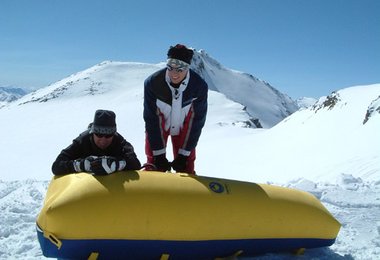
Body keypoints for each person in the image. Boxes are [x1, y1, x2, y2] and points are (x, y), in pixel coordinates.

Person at [143, 44, 208, 174]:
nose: (174, 73)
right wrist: (158, 154)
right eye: (170, 67)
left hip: (185, 128)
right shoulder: (152, 83)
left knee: (186, 167)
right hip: (160, 127)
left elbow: (196, 121)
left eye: (180, 69)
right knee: (154, 165)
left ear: (188, 67)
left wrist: (184, 154)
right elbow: (152, 119)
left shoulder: (199, 86)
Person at [52, 109, 141, 175]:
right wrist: (82, 165)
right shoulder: (82, 141)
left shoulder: (121, 143)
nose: (103, 140)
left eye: (108, 136)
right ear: (92, 132)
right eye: (98, 135)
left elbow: (136, 164)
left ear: (114, 134)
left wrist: (116, 164)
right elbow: (56, 166)